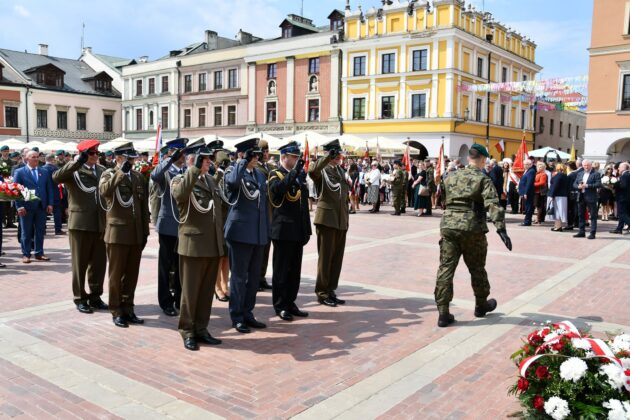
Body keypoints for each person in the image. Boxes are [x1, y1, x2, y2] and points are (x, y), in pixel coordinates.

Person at [434, 144, 512, 328]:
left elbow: (443, 199)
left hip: (449, 226)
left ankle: (443, 312)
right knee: (477, 268)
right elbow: (492, 204)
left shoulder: (450, 176)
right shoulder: (483, 179)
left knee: (446, 269)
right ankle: (481, 304)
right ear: (483, 159)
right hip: (472, 228)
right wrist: (501, 229)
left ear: (468, 158)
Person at [171, 145, 225, 350]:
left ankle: (201, 328)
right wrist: (193, 168)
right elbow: (180, 195)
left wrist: (220, 242)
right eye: (205, 159)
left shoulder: (211, 180)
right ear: (194, 161)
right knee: (190, 292)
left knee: (205, 292)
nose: (209, 162)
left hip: (211, 244)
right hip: (192, 245)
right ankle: (187, 330)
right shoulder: (181, 180)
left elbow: (217, 213)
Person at [53, 140, 108, 314]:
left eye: (97, 153)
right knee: (80, 263)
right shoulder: (74, 170)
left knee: (99, 264)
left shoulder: (102, 170)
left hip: (100, 222)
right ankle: (80, 297)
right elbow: (56, 177)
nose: (95, 156)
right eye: (92, 153)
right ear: (84, 154)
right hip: (81, 224)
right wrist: (77, 161)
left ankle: (95, 296)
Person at [99, 143, 150, 328]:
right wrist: (121, 172)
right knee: (116, 274)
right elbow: (105, 192)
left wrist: (145, 231)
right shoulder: (109, 174)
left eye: (132, 158)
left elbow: (143, 207)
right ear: (118, 158)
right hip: (117, 233)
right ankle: (116, 310)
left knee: (131, 275)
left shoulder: (137, 177)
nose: (132, 161)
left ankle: (128, 308)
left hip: (135, 233)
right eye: (128, 158)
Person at [224, 138, 270, 334]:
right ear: (242, 154)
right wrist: (242, 162)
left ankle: (248, 312)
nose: (256, 158)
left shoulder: (259, 174)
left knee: (253, 278)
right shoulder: (232, 172)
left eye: (257, 155)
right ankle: (237, 316)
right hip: (240, 234)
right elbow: (233, 184)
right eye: (252, 154)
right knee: (239, 277)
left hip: (258, 232)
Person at [267, 141, 312, 321]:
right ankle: (280, 305)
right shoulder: (274, 174)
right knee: (281, 270)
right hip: (283, 230)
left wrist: (306, 228)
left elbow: (302, 203)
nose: (296, 160)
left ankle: (290, 302)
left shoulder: (299, 175)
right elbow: (277, 192)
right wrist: (293, 174)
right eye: (293, 157)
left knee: (295, 270)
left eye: (296, 157)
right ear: (283, 157)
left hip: (297, 229)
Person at [150, 138, 189, 317]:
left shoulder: (187, 171)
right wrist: (170, 159)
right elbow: (155, 175)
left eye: (184, 153)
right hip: (168, 225)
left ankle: (179, 297)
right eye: (179, 153)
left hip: (184, 225)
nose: (183, 156)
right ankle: (165, 301)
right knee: (165, 266)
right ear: (171, 152)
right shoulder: (165, 171)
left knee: (181, 265)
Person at [308, 139, 349, 307]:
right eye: (336, 153)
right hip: (326, 220)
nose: (339, 156)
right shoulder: (322, 170)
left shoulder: (339, 170)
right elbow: (312, 171)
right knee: (325, 258)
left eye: (338, 153)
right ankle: (322, 292)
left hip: (340, 220)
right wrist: (326, 157)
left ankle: (331, 289)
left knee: (336, 258)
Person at [13, 150, 54, 264]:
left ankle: (39, 253)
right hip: (26, 207)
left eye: (37, 157)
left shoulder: (44, 171)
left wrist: (50, 203)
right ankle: (26, 254)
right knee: (26, 232)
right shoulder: (20, 172)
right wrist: (19, 206)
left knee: (40, 231)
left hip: (41, 206)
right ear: (27, 159)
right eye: (33, 157)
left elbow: (49, 188)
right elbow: (16, 190)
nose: (36, 159)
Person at [209, 142, 230, 302]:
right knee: (218, 256)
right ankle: (216, 286)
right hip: (215, 219)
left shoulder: (227, 173)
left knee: (226, 255)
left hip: (227, 218)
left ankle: (225, 284)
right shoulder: (211, 174)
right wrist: (219, 172)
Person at [255, 139, 275, 291]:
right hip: (261, 213)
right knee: (259, 249)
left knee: (266, 248)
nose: (267, 154)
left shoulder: (268, 167)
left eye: (267, 151)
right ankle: (256, 278)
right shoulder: (257, 168)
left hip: (270, 213)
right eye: (265, 151)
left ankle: (261, 277)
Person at [572, 159, 601, 239]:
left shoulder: (596, 174)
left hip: (591, 197)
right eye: (584, 165)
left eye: (587, 165)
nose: (586, 167)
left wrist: (587, 185)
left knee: (593, 216)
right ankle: (581, 232)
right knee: (581, 214)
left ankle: (592, 233)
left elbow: (598, 184)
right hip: (581, 196)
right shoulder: (580, 173)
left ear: (591, 165)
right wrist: (578, 186)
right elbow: (574, 183)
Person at [548, 163, 570, 232]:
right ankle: (557, 225)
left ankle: (558, 226)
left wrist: (551, 195)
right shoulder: (565, 175)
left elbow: (555, 186)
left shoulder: (558, 175)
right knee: (559, 211)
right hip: (563, 195)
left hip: (558, 195)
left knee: (557, 211)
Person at [611, 162, 630, 234]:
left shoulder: (624, 175)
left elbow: (623, 186)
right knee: (624, 213)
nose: (618, 168)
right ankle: (619, 228)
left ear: (623, 168)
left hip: (623, 197)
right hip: (627, 198)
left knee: (622, 213)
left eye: (619, 167)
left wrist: (615, 185)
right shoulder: (628, 174)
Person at [518, 159, 536, 226]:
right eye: (524, 164)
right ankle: (527, 220)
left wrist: (526, 192)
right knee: (527, 207)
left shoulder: (531, 171)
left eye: (526, 164)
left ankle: (527, 221)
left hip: (528, 192)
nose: (524, 165)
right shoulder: (528, 170)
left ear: (530, 164)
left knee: (528, 207)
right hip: (526, 192)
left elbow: (529, 183)